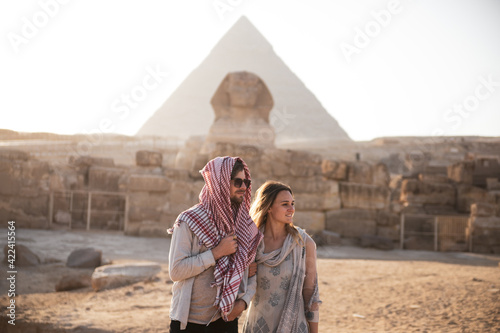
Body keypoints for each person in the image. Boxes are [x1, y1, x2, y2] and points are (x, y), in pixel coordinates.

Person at [167, 156, 263, 333]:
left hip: (226, 320)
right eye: (238, 182)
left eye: (246, 182)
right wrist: (216, 253)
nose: (244, 187)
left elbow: (253, 272)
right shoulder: (189, 221)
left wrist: (242, 303)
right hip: (189, 323)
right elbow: (176, 271)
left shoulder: (244, 225)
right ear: (220, 183)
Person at [242, 181, 321, 333]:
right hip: (258, 326)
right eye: (285, 204)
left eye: (292, 203)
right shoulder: (252, 243)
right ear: (269, 207)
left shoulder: (304, 244)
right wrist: (244, 272)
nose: (291, 209)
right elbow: (237, 287)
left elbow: (311, 294)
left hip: (294, 326)